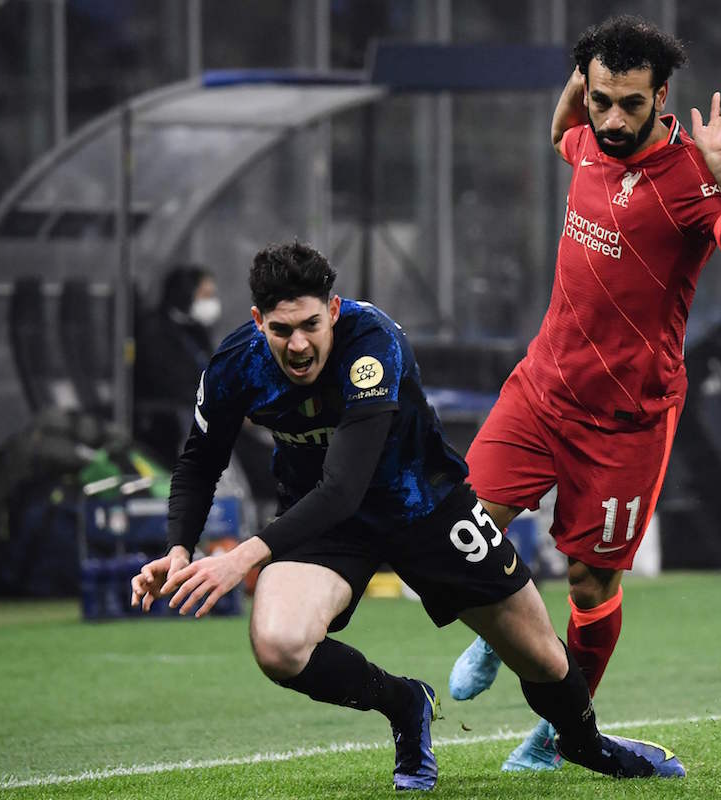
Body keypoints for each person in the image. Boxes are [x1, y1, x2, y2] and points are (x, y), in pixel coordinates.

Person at [129, 241, 687, 791]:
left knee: (542, 659)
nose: (297, 345)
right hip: (324, 524)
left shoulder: (372, 345)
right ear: (258, 322)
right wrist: (179, 549)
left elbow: (345, 486)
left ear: (334, 310)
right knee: (278, 645)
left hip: (427, 507)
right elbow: (199, 461)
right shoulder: (235, 365)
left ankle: (586, 744)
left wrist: (244, 556)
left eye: (309, 326)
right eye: (280, 330)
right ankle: (405, 703)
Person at [447, 15, 721, 771]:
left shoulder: (692, 180)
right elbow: (561, 127)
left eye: (630, 104)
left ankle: (560, 732)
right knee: (459, 529)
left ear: (661, 97)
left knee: (592, 580)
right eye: (601, 98)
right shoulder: (588, 142)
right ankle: (498, 637)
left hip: (627, 421)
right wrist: (584, 72)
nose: (611, 119)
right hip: (541, 390)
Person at [133, 264, 221, 465]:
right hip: (167, 425)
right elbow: (167, 384)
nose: (211, 303)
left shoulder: (197, 331)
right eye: (205, 295)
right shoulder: (153, 331)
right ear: (185, 294)